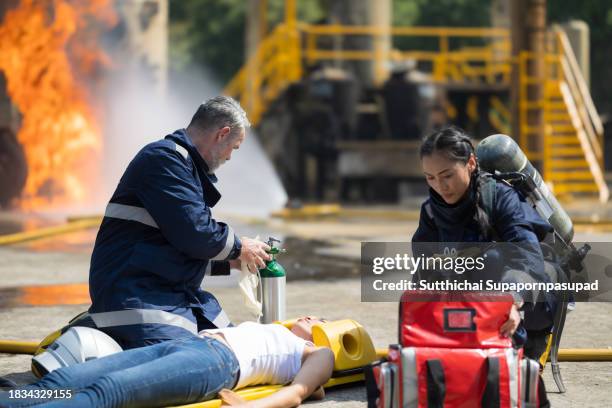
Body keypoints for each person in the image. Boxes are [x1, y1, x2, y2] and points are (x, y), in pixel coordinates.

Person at [77, 96, 272, 349]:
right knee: (195, 362)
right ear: (222, 134)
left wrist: (231, 262)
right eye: (234, 147)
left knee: (237, 348)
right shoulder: (164, 160)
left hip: (164, 291)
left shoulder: (182, 166)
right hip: (134, 296)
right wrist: (239, 247)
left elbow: (173, 248)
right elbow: (196, 234)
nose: (230, 157)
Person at [412, 126, 557, 354]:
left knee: (489, 260)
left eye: (447, 175)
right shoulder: (431, 212)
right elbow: (424, 269)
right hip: (477, 299)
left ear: (470, 163)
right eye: (431, 178)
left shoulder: (500, 197)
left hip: (532, 292)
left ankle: (528, 342)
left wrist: (512, 300)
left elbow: (527, 257)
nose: (440, 186)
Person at [0, 317, 335, 408]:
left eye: (319, 319)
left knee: (106, 392)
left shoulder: (319, 353)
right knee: (64, 380)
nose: (309, 316)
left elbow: (298, 392)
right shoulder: (272, 330)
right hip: (188, 345)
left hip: (216, 364)